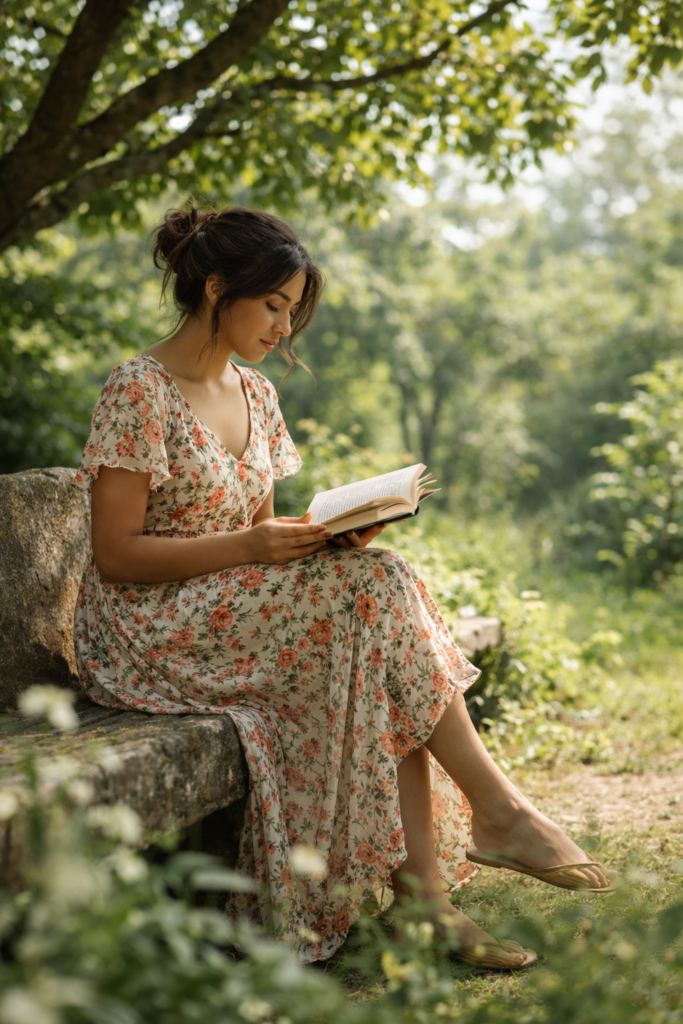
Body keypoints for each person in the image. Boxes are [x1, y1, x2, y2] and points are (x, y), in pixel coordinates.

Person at [74, 205, 614, 970]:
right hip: (142, 629)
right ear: (217, 287)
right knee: (373, 599)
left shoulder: (256, 394)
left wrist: (322, 537)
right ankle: (482, 832)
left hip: (222, 609)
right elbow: (116, 556)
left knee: (373, 593)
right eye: (272, 305)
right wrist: (258, 544)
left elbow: (253, 540)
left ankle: (435, 892)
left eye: (290, 312)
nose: (282, 328)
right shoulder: (139, 389)